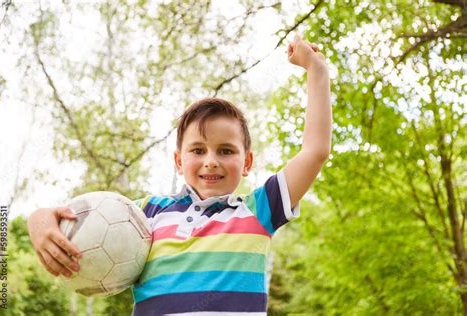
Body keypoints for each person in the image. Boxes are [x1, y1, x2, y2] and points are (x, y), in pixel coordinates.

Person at [27, 34, 332, 315]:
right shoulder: (144, 213)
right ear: (178, 160)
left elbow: (315, 151)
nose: (210, 161)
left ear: (247, 161)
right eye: (198, 150)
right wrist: (39, 222)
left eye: (225, 151)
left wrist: (316, 71)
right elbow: (68, 217)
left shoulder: (259, 209)